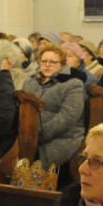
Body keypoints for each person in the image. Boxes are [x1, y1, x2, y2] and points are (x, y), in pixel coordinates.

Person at [25, 44, 86, 173]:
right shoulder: (30, 82)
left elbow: (68, 116)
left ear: (62, 64)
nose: (47, 65)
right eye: (44, 61)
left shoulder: (72, 84)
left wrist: (38, 134)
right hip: (29, 135)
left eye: (52, 62)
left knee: (33, 157)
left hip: (62, 138)